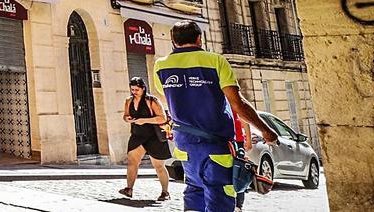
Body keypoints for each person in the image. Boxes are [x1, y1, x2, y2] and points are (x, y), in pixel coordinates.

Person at [153, 21, 278, 212]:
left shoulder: (160, 66)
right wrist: (266, 131)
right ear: (199, 39)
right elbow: (238, 104)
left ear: (173, 41)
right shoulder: (215, 61)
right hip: (215, 146)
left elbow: (169, 100)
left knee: (194, 192)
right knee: (220, 195)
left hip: (185, 146)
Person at [118, 77, 171, 201]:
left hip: (154, 137)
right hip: (137, 135)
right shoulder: (129, 101)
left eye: (137, 89)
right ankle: (129, 189)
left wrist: (145, 120)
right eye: (132, 89)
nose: (134, 92)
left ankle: (165, 192)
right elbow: (125, 115)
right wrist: (128, 119)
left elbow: (162, 118)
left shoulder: (152, 101)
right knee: (132, 162)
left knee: (158, 166)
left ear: (143, 88)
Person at [234, 117, 252, 211]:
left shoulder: (234, 102)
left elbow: (245, 120)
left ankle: (238, 205)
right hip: (223, 140)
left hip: (238, 141)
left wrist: (248, 140)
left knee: (239, 173)